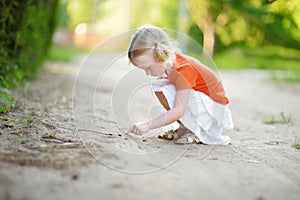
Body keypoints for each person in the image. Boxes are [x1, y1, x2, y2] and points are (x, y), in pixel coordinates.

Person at [126, 25, 234, 145]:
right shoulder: (170, 64)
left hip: (214, 113)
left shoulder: (183, 70)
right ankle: (185, 128)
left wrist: (147, 125)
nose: (147, 73)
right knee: (160, 85)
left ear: (161, 56)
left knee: (166, 89)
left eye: (149, 68)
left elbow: (179, 110)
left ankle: (197, 131)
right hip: (206, 106)